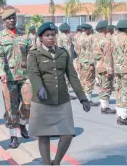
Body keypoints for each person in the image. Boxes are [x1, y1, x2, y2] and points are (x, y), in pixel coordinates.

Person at [27, 22, 90, 165]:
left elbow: (72, 76)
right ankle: (46, 163)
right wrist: (39, 87)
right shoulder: (34, 54)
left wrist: (83, 98)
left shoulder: (63, 53)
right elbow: (33, 73)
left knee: (67, 134)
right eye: (47, 35)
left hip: (62, 99)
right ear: (41, 38)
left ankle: (56, 162)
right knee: (44, 136)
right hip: (42, 100)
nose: (51, 38)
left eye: (53, 35)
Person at [0, 8, 32, 148]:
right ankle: (14, 136)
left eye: (13, 17)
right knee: (11, 108)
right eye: (8, 18)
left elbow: (31, 54)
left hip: (25, 76)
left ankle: (22, 124)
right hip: (8, 78)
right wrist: (1, 71)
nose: (12, 20)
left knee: (28, 104)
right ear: (4, 21)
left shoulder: (24, 36)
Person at [93, 20, 116, 114]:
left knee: (102, 86)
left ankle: (104, 105)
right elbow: (108, 57)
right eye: (107, 27)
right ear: (104, 29)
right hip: (105, 67)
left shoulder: (96, 39)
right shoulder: (106, 41)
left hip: (99, 65)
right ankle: (104, 107)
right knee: (106, 86)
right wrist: (109, 70)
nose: (108, 28)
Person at [78, 23, 99, 106]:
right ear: (87, 30)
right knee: (89, 80)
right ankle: (88, 99)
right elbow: (89, 51)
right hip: (87, 62)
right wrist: (91, 63)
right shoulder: (88, 38)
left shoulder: (78, 37)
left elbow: (77, 50)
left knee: (83, 80)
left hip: (81, 61)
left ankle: (83, 98)